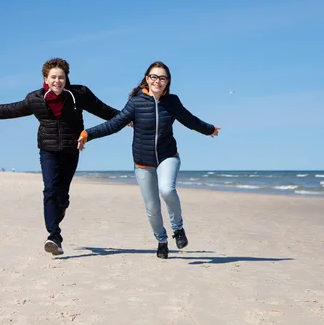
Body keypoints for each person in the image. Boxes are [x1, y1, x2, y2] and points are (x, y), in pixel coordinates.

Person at [77, 61, 220, 259]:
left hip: (168, 156)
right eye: (154, 77)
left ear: (167, 82)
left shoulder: (172, 102)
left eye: (162, 78)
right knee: (152, 207)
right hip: (142, 162)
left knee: (167, 189)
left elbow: (190, 120)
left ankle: (178, 229)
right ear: (147, 78)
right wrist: (87, 134)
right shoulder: (135, 102)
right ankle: (161, 240)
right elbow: (115, 124)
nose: (157, 81)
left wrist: (209, 129)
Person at [0, 58, 119, 256]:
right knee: (50, 190)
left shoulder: (80, 94)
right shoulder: (35, 99)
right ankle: (54, 236)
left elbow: (103, 109)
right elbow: (9, 110)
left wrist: (127, 118)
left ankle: (59, 211)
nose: (57, 81)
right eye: (53, 77)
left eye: (61, 77)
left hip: (71, 150)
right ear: (45, 78)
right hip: (48, 150)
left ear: (66, 78)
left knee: (62, 196)